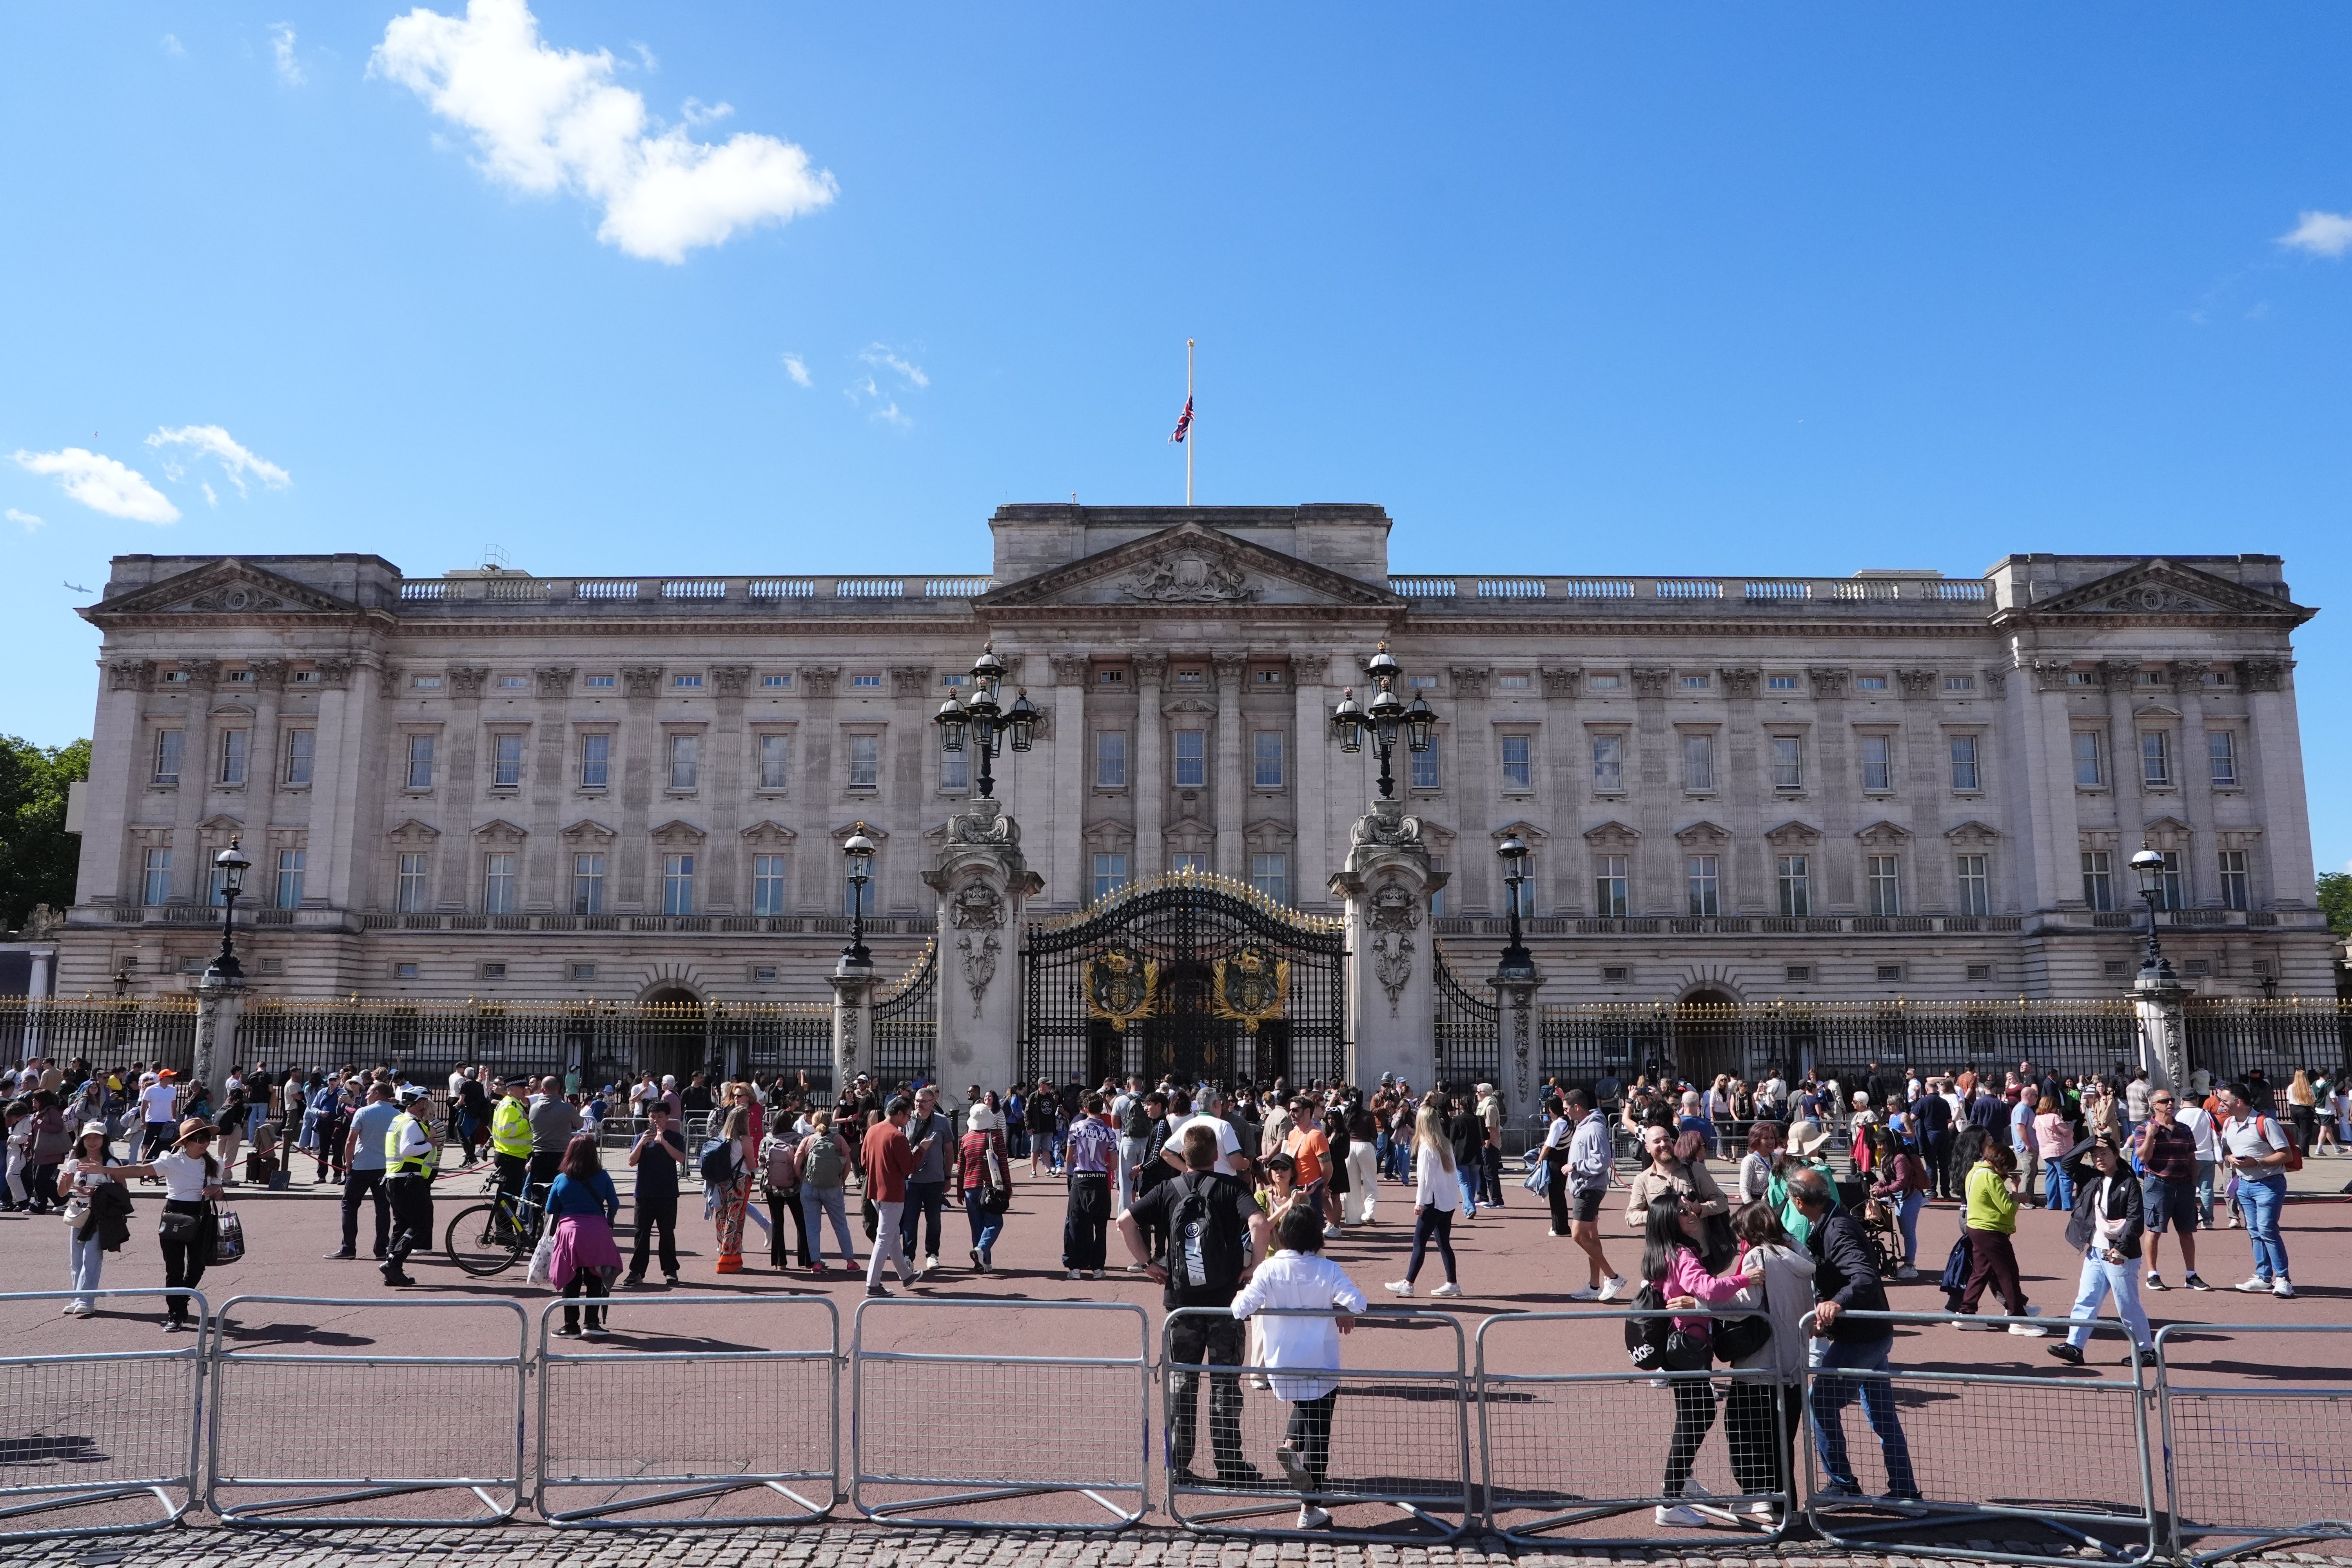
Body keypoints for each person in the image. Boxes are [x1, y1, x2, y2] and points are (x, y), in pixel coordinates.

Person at [1118, 1123, 1275, 1490]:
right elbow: (1260, 1223)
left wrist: (1148, 1265)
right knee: (1225, 1386)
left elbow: (1125, 1222)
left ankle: (1178, 1465)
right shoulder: (1231, 1188)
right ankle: (1229, 1463)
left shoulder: (1168, 1190)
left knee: (1181, 1387)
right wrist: (1252, 1267)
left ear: (1184, 1156)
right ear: (1216, 1155)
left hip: (1181, 1305)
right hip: (1224, 1303)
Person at [1788, 1167, 1921, 1505]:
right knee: (1881, 1414)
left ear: (1800, 1203)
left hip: (1861, 1338)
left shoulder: (1838, 1229)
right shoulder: (1833, 1221)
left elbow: (1862, 1277)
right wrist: (1828, 1309)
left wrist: (1836, 1303)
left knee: (1820, 1404)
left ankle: (1843, 1484)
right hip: (1870, 1333)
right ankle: (1905, 1491)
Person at [1231, 1203, 1367, 1530]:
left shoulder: (1267, 1269)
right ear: (1317, 1236)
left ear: (1283, 1234)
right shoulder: (1327, 1269)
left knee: (1305, 1407)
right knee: (1320, 1431)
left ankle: (1291, 1446)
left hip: (1282, 1363)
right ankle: (1310, 1505)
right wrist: (1338, 1306)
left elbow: (1239, 1309)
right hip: (1320, 1362)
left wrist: (1249, 1297)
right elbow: (1359, 1303)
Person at [1645, 1192, 1750, 1527]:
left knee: (1694, 1414)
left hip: (1677, 1346)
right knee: (1698, 1415)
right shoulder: (1683, 1254)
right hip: (1689, 1345)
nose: (1690, 1212)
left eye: (1688, 1207)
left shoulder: (1659, 1254)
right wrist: (1747, 1279)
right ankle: (1670, 1498)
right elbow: (1709, 1290)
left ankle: (1680, 1482)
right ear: (1668, 1220)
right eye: (1681, 1211)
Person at [1722, 1201, 1815, 1523]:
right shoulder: (1800, 1254)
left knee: (1744, 1432)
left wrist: (1705, 1298)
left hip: (1760, 1363)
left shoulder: (1757, 1257)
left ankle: (1760, 1496)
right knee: (1782, 1439)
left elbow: (1742, 1306)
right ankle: (1782, 1504)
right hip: (1794, 1363)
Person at [2049, 1135, 2153, 1367]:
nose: (2099, 1159)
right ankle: (2074, 1346)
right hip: (2095, 1251)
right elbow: (2067, 1163)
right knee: (2086, 1299)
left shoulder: (2129, 1182)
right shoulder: (2091, 1177)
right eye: (2095, 1155)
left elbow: (2136, 1221)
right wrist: (2090, 1141)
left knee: (2127, 1304)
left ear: (2116, 1155)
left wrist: (2120, 1249)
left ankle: (2145, 1350)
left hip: (2120, 1255)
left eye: (2104, 1153)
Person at [2215, 1083, 2294, 1297]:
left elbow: (2286, 1155)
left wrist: (2258, 1162)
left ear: (2238, 1102)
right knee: (2254, 1231)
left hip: (2269, 1183)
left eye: (2224, 1100)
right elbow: (2225, 1150)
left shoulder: (2265, 1123)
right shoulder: (2230, 1123)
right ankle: (2263, 1276)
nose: (2221, 1104)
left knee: (2267, 1229)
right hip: (2244, 1185)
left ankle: (2283, 1279)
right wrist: (2229, 1158)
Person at [1955, 1142, 2043, 1333]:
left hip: (1976, 1227)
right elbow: (2007, 1209)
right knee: (2008, 1274)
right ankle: (2018, 1319)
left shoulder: (1975, 1172)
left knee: (1981, 1272)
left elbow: (1989, 1198)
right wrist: (2015, 1191)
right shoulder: (1991, 1177)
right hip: (1991, 1230)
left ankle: (1966, 1312)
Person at [60, 1123, 146, 1315]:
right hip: (79, 1214)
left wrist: (97, 1189)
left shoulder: (111, 1164)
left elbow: (123, 1190)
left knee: (91, 1258)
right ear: (82, 1140)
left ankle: (86, 1300)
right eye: (88, 1138)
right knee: (76, 1260)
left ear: (104, 1140)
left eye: (97, 1138)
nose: (92, 1142)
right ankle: (75, 1298)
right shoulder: (74, 1162)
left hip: (100, 1214)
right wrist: (67, 1181)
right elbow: (62, 1192)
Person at [2132, 1089, 2212, 1292]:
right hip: (2158, 1185)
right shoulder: (2144, 1129)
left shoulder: (2184, 1129)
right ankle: (2153, 1274)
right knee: (2154, 1230)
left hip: (2184, 1186)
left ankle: (2191, 1275)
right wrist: (2151, 1135)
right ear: (2154, 1105)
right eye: (2165, 1101)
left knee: (2187, 1231)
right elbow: (2143, 1157)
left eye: (2172, 1100)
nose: (2170, 1104)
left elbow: (2192, 1159)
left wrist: (2193, 1186)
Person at [151, 1117, 225, 1331]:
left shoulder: (214, 1163)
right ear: (186, 1142)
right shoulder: (172, 1161)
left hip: (201, 1214)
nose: (205, 1143)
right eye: (199, 1139)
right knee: (174, 1268)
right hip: (175, 1213)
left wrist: (216, 1190)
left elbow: (220, 1194)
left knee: (198, 1266)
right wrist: (103, 1170)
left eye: (208, 1138)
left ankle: (181, 1302)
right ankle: (175, 1313)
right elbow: (139, 1170)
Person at [1383, 1101, 1463, 1298]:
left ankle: (1409, 1283)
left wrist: (1420, 1202)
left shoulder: (1427, 1147)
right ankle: (1452, 1283)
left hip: (1433, 1202)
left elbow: (1425, 1179)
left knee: (1419, 1242)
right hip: (1447, 1201)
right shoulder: (1445, 1144)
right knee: (1444, 1243)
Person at [545, 1134, 622, 1337]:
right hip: (597, 1232)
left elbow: (551, 1208)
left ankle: (570, 1326)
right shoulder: (603, 1176)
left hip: (570, 1233)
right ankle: (592, 1323)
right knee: (595, 1278)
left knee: (571, 1279)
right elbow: (614, 1203)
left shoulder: (561, 1179)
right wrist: (609, 1218)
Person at [1561, 1089, 1626, 1301]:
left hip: (1590, 1187)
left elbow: (1602, 1160)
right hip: (1584, 1186)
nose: (1566, 1113)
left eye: (1567, 1109)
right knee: (1591, 1236)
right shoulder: (1583, 1126)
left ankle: (1613, 1277)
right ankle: (1594, 1285)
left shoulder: (1595, 1128)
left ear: (1577, 1107)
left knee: (1578, 1235)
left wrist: (1575, 1167)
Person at [325, 1080, 398, 1261]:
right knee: (383, 1208)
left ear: (377, 1094)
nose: (366, 1097)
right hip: (385, 1168)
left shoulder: (363, 1112)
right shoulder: (397, 1115)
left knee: (349, 1205)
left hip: (362, 1166)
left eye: (369, 1094)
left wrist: (348, 1163)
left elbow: (351, 1141)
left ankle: (348, 1247)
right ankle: (381, 1249)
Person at [861, 1096, 925, 1297]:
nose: (908, 1120)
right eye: (907, 1116)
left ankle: (906, 1275)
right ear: (899, 1114)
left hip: (875, 1191)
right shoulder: (897, 1136)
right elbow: (909, 1167)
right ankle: (873, 1284)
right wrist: (921, 1150)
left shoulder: (873, 1130)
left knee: (892, 1236)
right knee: (884, 1238)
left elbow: (864, 1160)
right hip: (892, 1193)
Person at [381, 1086, 439, 1287]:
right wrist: (430, 1143)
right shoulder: (412, 1124)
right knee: (422, 1224)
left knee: (402, 1225)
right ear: (421, 1103)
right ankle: (394, 1263)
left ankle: (392, 1269)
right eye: (426, 1102)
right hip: (408, 1180)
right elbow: (407, 1150)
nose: (428, 1105)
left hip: (395, 1179)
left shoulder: (399, 1120)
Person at [1622, 1122, 1730, 1229]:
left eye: (1666, 1139)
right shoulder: (1642, 1180)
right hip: (1663, 1244)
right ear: (1648, 1148)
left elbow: (1722, 1202)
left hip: (1698, 1243)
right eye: (1657, 1142)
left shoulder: (1696, 1169)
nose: (1663, 1144)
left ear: (1672, 1143)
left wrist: (1700, 1208)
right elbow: (1631, 1217)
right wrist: (1663, 1213)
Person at [625, 1103, 686, 1287]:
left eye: (660, 1116)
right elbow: (631, 1162)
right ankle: (637, 1272)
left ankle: (670, 1271)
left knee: (667, 1234)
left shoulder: (675, 1138)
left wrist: (664, 1143)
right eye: (653, 1116)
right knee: (641, 1234)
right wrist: (642, 1144)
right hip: (644, 1193)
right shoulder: (640, 1137)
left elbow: (681, 1159)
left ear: (667, 1118)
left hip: (667, 1194)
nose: (656, 1120)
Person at [1060, 1091, 1120, 1279]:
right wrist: (1103, 1164)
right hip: (1100, 1179)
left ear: (1085, 1109)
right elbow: (1114, 1163)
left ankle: (1076, 1267)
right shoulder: (1109, 1131)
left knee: (1078, 1224)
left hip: (1081, 1178)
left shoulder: (1076, 1127)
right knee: (1100, 1226)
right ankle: (1098, 1268)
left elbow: (1069, 1158)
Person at [898, 1085, 954, 1277]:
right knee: (909, 1219)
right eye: (917, 1101)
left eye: (923, 1102)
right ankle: (908, 1255)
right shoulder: (906, 1120)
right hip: (911, 1179)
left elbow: (949, 1150)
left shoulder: (942, 1122)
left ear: (933, 1103)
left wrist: (948, 1176)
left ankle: (932, 1254)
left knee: (934, 1220)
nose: (919, 1105)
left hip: (935, 1179)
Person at [957, 1101, 1011, 1270]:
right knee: (995, 1223)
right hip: (990, 1186)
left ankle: (983, 1263)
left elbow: (961, 1168)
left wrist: (959, 1191)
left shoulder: (965, 1139)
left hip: (969, 1187)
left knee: (977, 1227)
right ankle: (981, 1250)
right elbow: (1003, 1163)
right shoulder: (995, 1136)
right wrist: (1008, 1187)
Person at [760, 1111, 811, 1271]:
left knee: (777, 1222)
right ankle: (806, 1260)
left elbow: (762, 1162)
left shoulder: (767, 1141)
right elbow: (804, 1161)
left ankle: (780, 1261)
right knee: (801, 1222)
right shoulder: (798, 1139)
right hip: (794, 1186)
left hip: (772, 1187)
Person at [706, 1106, 753, 1274]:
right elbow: (752, 1164)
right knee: (736, 1219)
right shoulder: (745, 1139)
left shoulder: (723, 1137)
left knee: (722, 1216)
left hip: (722, 1181)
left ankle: (722, 1249)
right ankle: (729, 1258)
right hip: (740, 1181)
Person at [529, 1076, 582, 1196]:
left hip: (539, 1154)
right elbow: (580, 1124)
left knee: (537, 1194)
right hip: (561, 1155)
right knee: (560, 1192)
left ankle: (536, 1215)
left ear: (543, 1091)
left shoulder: (534, 1108)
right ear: (558, 1088)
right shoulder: (567, 1108)